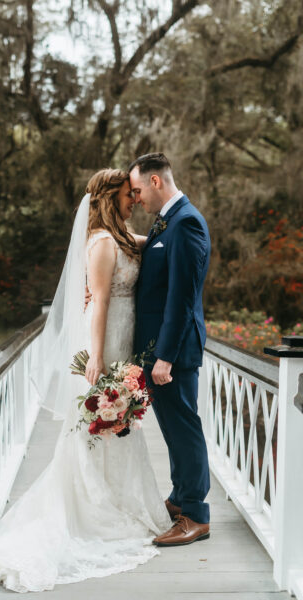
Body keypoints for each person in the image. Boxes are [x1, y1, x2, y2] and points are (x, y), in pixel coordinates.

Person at [0, 168, 171, 593]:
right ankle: (95, 507)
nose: (133, 201)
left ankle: (120, 496)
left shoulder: (122, 237)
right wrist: (98, 358)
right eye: (128, 195)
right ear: (109, 198)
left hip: (125, 337)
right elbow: (101, 300)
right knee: (96, 426)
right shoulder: (103, 243)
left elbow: (155, 243)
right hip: (105, 338)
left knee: (120, 424)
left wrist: (174, 228)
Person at [129, 152, 211, 546]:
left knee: (184, 429)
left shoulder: (188, 224)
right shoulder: (167, 223)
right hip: (159, 351)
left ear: (156, 182)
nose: (138, 197)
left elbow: (181, 298)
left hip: (173, 354)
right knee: (173, 432)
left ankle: (196, 514)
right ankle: (180, 499)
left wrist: (165, 356)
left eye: (139, 189)